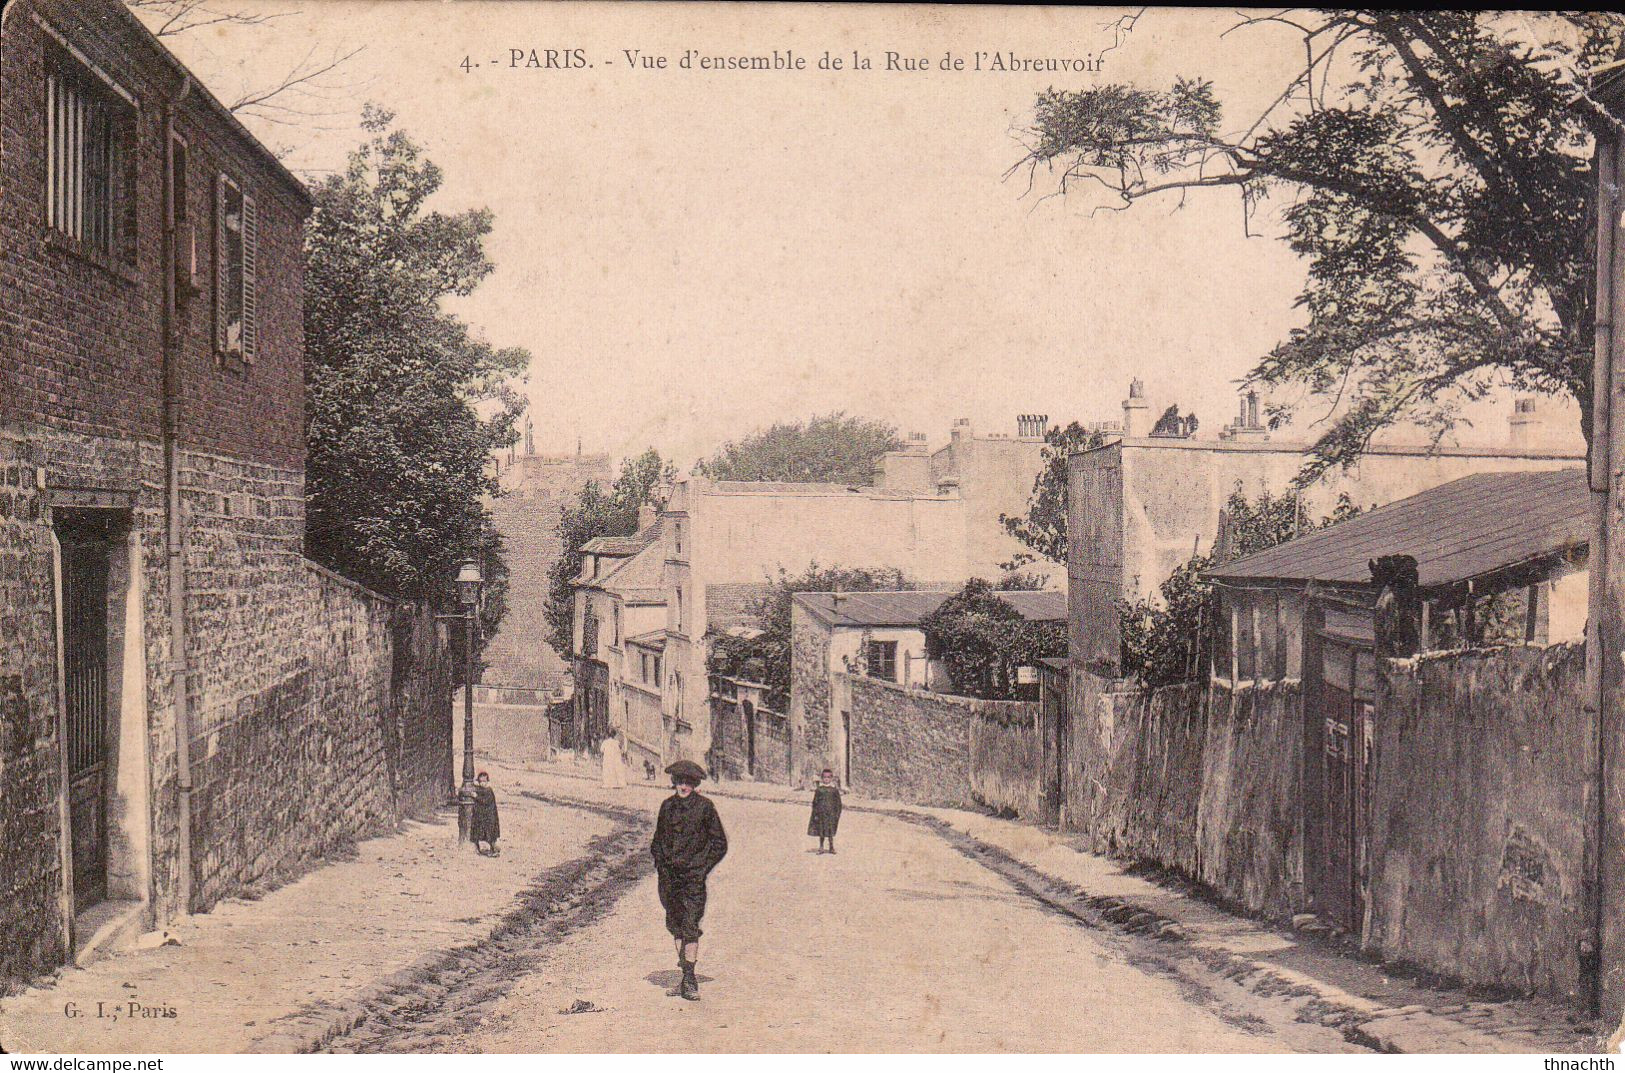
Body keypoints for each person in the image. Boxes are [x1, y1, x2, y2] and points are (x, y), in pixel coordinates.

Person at [651, 759, 728, 1001]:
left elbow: (719, 844)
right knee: (675, 925)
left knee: (690, 924)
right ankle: (685, 976)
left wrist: (702, 868)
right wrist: (661, 865)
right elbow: (657, 841)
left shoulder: (705, 808)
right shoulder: (667, 807)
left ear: (695, 785)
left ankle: (690, 978)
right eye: (679, 782)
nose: (683, 786)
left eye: (688, 783)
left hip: (693, 879)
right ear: (674, 783)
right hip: (670, 879)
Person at [808, 768, 843, 854]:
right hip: (821, 814)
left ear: (831, 778)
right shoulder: (819, 790)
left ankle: (831, 847)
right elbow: (815, 802)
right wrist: (815, 813)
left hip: (831, 814)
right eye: (824, 777)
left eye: (828, 777)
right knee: (822, 830)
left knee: (830, 831)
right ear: (822, 778)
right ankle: (821, 847)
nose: (826, 779)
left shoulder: (834, 790)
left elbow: (838, 803)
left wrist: (837, 813)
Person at [470, 771, 500, 856]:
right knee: (479, 831)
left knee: (489, 834)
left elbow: (485, 801)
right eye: (481, 782)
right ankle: (480, 848)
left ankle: (493, 849)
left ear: (487, 781)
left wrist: (476, 797)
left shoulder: (488, 791)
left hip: (489, 816)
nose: (482, 783)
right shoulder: (482, 789)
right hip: (484, 816)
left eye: (484, 781)